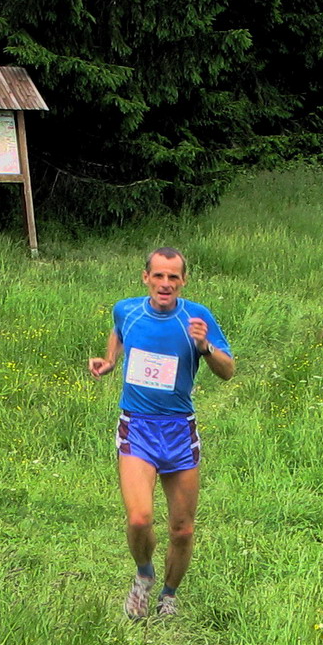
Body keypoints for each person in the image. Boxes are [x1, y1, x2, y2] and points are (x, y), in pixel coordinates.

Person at [88, 247, 234, 619]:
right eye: (158, 275)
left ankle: (169, 596)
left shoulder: (197, 317)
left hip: (179, 430)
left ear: (183, 281)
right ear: (146, 278)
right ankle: (144, 574)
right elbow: (118, 331)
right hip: (137, 427)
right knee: (139, 519)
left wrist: (205, 347)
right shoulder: (127, 309)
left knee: (182, 529)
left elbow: (228, 371)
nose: (165, 283)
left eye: (173, 277)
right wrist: (110, 360)